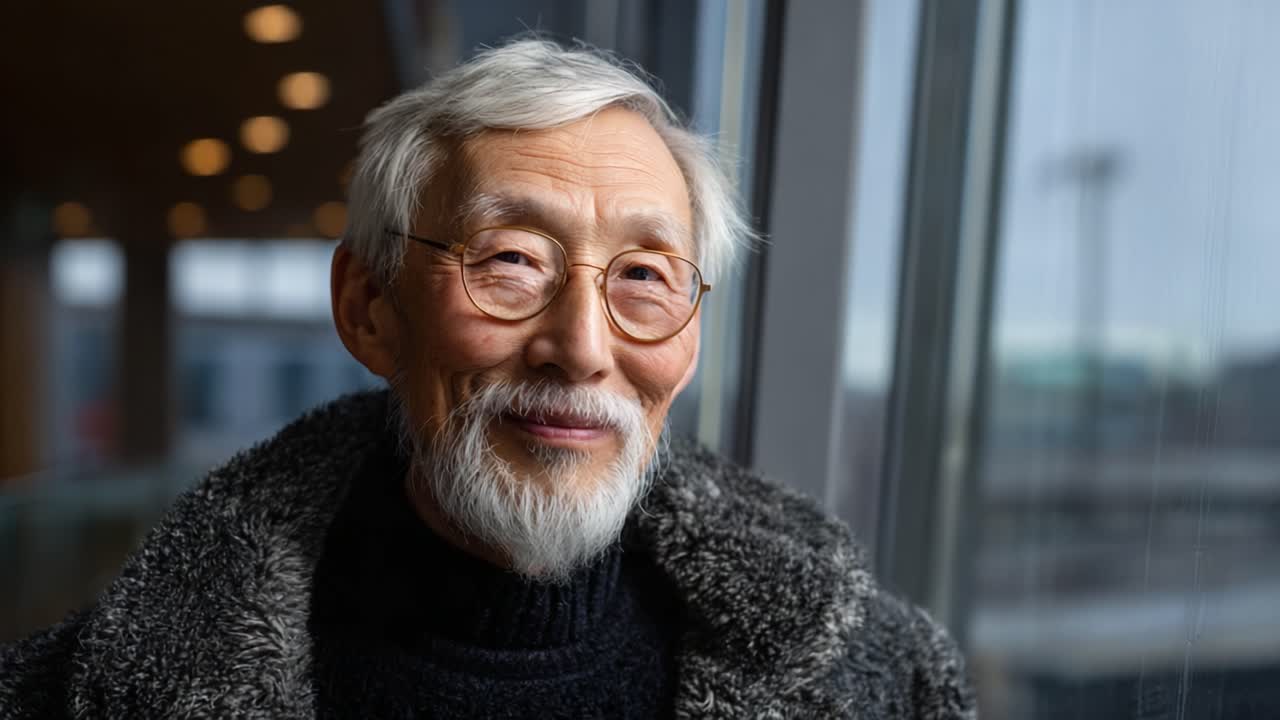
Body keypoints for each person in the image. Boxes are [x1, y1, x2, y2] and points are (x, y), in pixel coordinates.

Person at [0, 38, 975, 718]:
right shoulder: (86, 692)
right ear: (369, 307)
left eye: (643, 277)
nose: (582, 347)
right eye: (510, 261)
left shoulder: (881, 684)